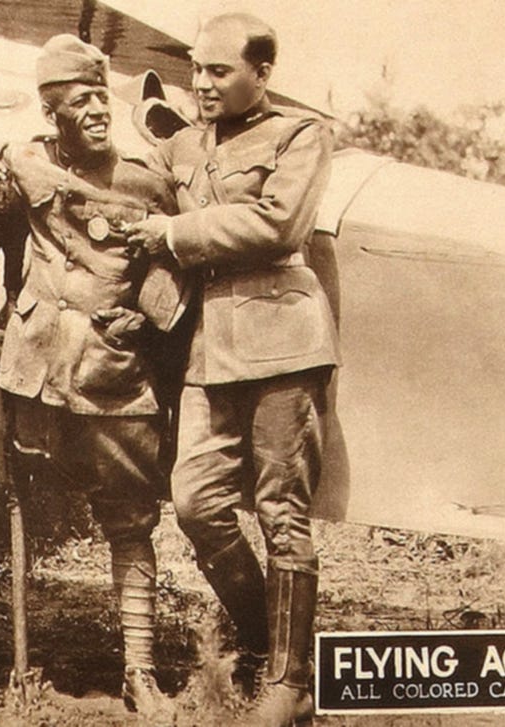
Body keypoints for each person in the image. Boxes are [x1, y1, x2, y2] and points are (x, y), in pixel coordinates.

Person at [0, 34, 180, 723]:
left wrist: (147, 317)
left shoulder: (143, 176)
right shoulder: (21, 167)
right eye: (78, 103)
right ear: (53, 116)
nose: (97, 112)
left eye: (98, 97)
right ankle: (24, 668)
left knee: (132, 521)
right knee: (19, 506)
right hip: (31, 370)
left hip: (114, 374)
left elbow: (175, 260)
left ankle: (140, 674)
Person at [125, 13, 340, 726]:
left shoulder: (300, 135)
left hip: (282, 340)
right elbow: (131, 189)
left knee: (283, 512)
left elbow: (280, 225)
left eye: (220, 71)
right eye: (197, 68)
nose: (203, 83)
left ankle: (290, 680)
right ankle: (260, 637)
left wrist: (175, 232)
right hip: (208, 348)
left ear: (262, 74)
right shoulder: (181, 143)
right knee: (194, 501)